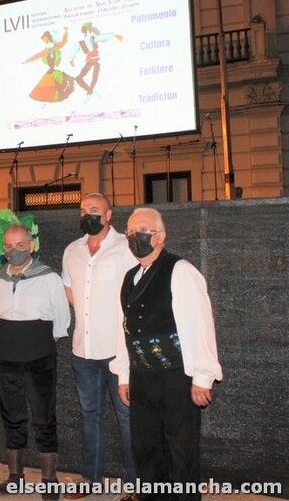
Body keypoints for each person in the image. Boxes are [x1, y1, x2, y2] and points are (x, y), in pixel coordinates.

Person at [111, 207, 223, 500]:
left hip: (176, 378)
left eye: (143, 230)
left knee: (181, 453)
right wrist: (124, 375)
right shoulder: (129, 278)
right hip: (142, 378)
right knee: (146, 449)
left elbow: (200, 323)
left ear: (160, 236)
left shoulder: (181, 270)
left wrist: (203, 377)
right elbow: (124, 329)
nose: (135, 236)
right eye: (131, 231)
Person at [61, 193, 137, 500]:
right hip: (83, 351)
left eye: (94, 209)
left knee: (127, 417)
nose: (87, 214)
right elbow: (69, 290)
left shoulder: (126, 247)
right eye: (83, 210)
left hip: (119, 351)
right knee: (89, 416)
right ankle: (91, 480)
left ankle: (135, 485)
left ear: (108, 215)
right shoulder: (72, 250)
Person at [0, 224, 70, 499]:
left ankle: (49, 479)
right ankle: (15, 476)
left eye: (20, 245)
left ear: (32, 246)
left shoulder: (49, 278)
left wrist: (39, 343)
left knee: (44, 417)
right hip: (6, 357)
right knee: (12, 417)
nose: (14, 250)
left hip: (39, 357)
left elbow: (62, 319)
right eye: (9, 246)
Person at [69, 22, 122, 99]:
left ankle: (90, 93)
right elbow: (76, 47)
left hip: (96, 61)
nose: (91, 29)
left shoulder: (92, 38)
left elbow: (101, 38)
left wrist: (114, 36)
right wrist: (71, 59)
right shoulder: (82, 41)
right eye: (89, 28)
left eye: (90, 28)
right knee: (79, 79)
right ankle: (90, 93)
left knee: (93, 78)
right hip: (90, 62)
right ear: (87, 29)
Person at [23, 27, 75, 103]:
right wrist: (27, 61)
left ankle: (65, 91)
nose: (43, 41)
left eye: (44, 39)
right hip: (53, 69)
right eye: (43, 40)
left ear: (47, 37)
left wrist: (66, 32)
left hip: (55, 69)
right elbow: (37, 55)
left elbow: (63, 42)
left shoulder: (54, 46)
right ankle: (65, 92)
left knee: (56, 85)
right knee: (57, 86)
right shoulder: (47, 49)